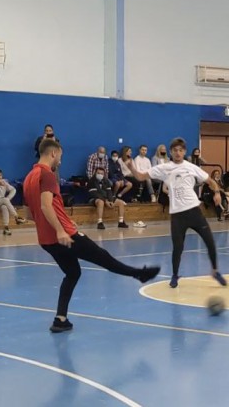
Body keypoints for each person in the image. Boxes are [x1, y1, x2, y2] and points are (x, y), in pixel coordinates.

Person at [23, 139, 160, 333]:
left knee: (73, 273)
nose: (60, 160)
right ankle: (139, 274)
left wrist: (62, 220)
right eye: (60, 156)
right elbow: (45, 206)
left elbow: (30, 215)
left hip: (46, 240)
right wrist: (61, 229)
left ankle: (60, 319)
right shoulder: (47, 175)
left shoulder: (29, 177)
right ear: (53, 153)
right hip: (63, 235)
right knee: (103, 257)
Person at [126, 137, 227, 289]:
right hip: (178, 215)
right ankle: (174, 275)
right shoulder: (165, 168)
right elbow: (140, 176)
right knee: (178, 248)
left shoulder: (191, 167)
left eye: (180, 150)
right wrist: (132, 168)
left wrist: (217, 193)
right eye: (175, 150)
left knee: (210, 242)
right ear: (171, 152)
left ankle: (215, 271)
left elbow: (211, 182)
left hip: (195, 212)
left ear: (184, 152)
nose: (178, 153)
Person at [0, 169, 26, 235]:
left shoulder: (3, 181)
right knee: (4, 200)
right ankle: (17, 217)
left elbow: (13, 190)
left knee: (4, 207)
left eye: (0, 175)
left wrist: (8, 199)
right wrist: (1, 186)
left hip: (1, 202)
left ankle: (6, 228)